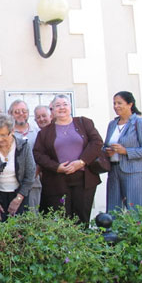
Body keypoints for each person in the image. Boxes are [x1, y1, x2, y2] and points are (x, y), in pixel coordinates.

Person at [33, 95, 103, 225]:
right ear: (52, 110)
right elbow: (38, 154)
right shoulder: (44, 132)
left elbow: (97, 142)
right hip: (57, 181)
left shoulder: (84, 123)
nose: (62, 108)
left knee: (81, 219)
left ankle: (82, 238)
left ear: (70, 107)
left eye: (65, 104)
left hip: (83, 179)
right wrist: (56, 167)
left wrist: (81, 162)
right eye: (58, 105)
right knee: (61, 220)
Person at [104, 91, 142, 212]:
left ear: (130, 104)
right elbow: (105, 145)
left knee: (134, 210)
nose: (116, 106)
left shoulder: (140, 122)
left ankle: (136, 226)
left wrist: (125, 151)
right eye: (114, 103)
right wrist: (107, 151)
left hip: (134, 172)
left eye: (119, 103)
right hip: (114, 171)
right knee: (113, 210)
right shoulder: (112, 124)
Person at [0, 114, 35, 221]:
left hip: (19, 195)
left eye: (3, 135)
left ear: (12, 131)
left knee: (19, 228)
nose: (0, 139)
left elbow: (30, 176)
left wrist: (18, 199)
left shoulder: (24, 147)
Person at [8, 100, 40, 211]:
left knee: (33, 214)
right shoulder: (7, 133)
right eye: (17, 112)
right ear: (10, 113)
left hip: (34, 182)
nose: (21, 114)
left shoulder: (37, 132)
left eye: (24, 111)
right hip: (13, 183)